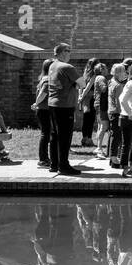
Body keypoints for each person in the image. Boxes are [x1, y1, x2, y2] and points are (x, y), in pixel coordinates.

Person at [47, 43, 82, 175]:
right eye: (68, 51)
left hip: (53, 104)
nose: (70, 53)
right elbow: (82, 83)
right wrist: (75, 85)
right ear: (62, 52)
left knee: (54, 135)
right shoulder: (67, 67)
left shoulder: (52, 65)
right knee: (65, 137)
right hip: (65, 106)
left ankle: (54, 164)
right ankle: (64, 166)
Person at [31, 57, 54, 168]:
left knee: (46, 133)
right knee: (46, 134)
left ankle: (44, 158)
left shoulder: (43, 78)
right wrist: (36, 103)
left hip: (43, 109)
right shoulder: (47, 80)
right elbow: (43, 94)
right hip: (45, 110)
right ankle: (43, 159)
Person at [77, 58, 100, 147]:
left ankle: (84, 138)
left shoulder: (85, 73)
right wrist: (82, 96)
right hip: (91, 98)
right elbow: (88, 86)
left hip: (85, 98)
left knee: (86, 119)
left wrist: (80, 96)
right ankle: (89, 139)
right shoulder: (94, 74)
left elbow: (81, 86)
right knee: (90, 119)